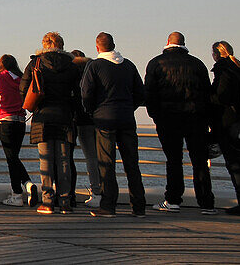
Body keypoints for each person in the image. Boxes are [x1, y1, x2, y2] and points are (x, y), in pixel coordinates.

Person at [144, 31, 216, 214]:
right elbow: (207, 94)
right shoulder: (197, 64)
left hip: (168, 119)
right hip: (196, 119)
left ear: (168, 42)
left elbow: (150, 94)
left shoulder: (156, 63)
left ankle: (173, 199)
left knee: (174, 160)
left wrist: (155, 116)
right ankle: (206, 202)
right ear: (183, 43)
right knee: (199, 161)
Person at [80, 32, 146, 218]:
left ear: (97, 47)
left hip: (104, 120)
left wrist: (92, 111)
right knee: (132, 163)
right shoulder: (129, 65)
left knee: (106, 164)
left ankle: (108, 206)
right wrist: (129, 107)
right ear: (114, 45)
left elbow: (86, 93)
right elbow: (140, 93)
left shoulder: (94, 66)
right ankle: (138, 206)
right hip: (126, 118)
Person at [20, 32, 79, 214]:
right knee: (64, 160)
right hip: (65, 117)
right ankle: (65, 201)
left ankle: (47, 201)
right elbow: (78, 93)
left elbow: (23, 88)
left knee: (45, 160)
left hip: (43, 117)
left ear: (45, 45)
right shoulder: (72, 65)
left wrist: (34, 105)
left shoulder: (36, 63)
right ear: (61, 45)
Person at [0, 55, 37, 207]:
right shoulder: (22, 78)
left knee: (11, 158)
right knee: (14, 157)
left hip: (5, 121)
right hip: (20, 121)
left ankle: (20, 191)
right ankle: (19, 191)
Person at [209, 41, 240, 215]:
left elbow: (222, 96)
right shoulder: (237, 67)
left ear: (216, 54)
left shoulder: (224, 70)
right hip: (237, 122)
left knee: (234, 164)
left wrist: (208, 97)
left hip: (228, 123)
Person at [69, 49, 102, 208]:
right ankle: (100, 191)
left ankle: (72, 193)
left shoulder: (70, 72)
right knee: (95, 156)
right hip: (96, 118)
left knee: (68, 157)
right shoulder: (93, 70)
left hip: (77, 118)